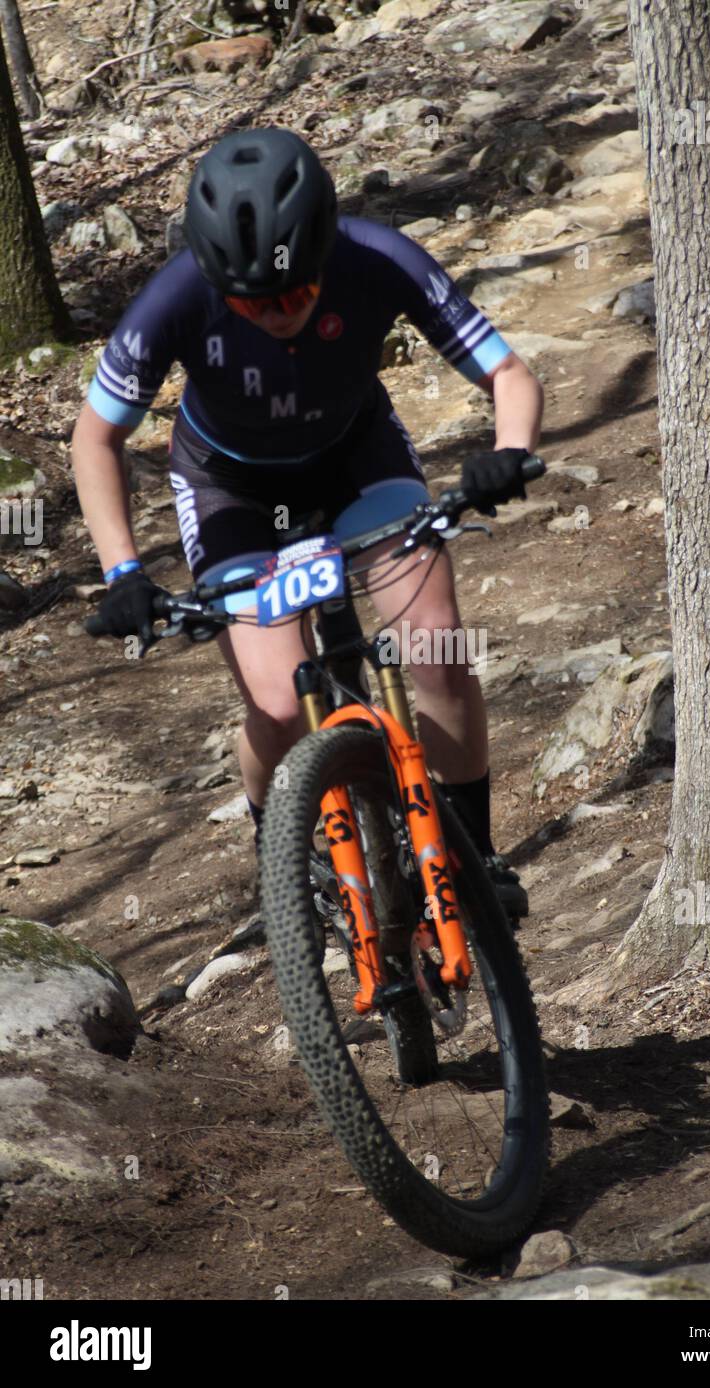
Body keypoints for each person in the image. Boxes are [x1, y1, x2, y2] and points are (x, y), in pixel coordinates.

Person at [71, 127, 544, 920]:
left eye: (296, 293)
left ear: (326, 252)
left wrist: (509, 452)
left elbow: (508, 373)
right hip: (232, 493)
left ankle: (474, 852)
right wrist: (123, 572)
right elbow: (94, 436)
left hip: (355, 457)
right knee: (282, 706)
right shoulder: (176, 297)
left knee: (436, 650)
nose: (280, 313)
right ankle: (282, 869)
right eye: (254, 303)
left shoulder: (380, 258)